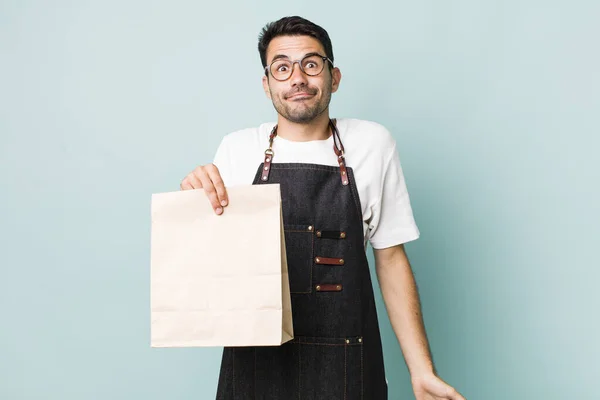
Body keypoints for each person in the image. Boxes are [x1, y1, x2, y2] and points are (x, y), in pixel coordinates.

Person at [180, 16, 465, 400]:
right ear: (267, 86)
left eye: (311, 64)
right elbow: (214, 265)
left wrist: (421, 370)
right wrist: (194, 201)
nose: (297, 77)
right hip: (256, 365)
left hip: (346, 363)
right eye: (282, 68)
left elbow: (392, 258)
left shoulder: (372, 144)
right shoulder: (236, 149)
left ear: (334, 77)